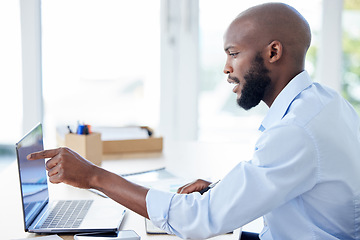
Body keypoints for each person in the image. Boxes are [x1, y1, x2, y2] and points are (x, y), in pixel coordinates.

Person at [27, 2, 360, 239]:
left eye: (233, 53)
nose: (226, 68)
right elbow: (294, 182)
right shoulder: (325, 102)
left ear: (273, 53)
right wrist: (221, 192)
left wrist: (93, 176)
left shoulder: (296, 130)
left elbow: (198, 221)